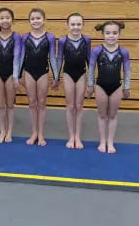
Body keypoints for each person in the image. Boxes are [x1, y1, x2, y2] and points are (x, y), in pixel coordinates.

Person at [86, 21, 131, 154]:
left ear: (119, 34)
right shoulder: (97, 51)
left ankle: (110, 141)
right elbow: (91, 69)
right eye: (108, 33)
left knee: (112, 115)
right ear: (103, 34)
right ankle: (102, 141)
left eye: (114, 33)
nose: (111, 36)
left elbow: (127, 71)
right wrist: (90, 85)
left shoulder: (123, 52)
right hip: (100, 85)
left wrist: (127, 87)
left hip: (116, 86)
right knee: (102, 114)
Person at [19, 8, 59, 146]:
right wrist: (19, 75)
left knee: (41, 103)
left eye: (38, 18)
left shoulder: (50, 37)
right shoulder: (25, 37)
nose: (35, 21)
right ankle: (34, 132)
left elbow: (53, 58)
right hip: (29, 72)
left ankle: (41, 133)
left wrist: (56, 76)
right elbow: (22, 57)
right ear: (29, 21)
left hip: (43, 72)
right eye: (33, 19)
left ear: (44, 20)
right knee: (32, 102)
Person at [56, 13, 91, 149]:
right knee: (70, 106)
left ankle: (78, 136)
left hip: (81, 73)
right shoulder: (63, 40)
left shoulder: (86, 40)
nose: (75, 27)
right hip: (68, 73)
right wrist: (57, 77)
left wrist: (90, 81)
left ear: (83, 25)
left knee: (79, 106)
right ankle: (71, 136)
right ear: (68, 25)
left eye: (78, 24)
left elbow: (89, 60)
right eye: (73, 24)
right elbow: (59, 59)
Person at [0, 8, 21, 143]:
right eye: (2, 18)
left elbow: (17, 57)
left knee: (10, 104)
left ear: (12, 19)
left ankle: (10, 132)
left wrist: (15, 76)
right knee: (1, 105)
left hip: (11, 74)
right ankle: (2, 130)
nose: (5, 20)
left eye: (7, 17)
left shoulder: (17, 37)